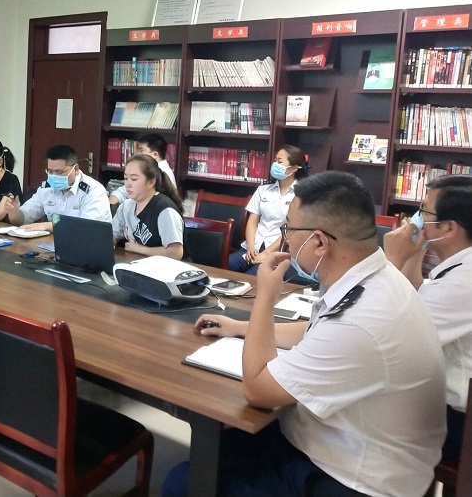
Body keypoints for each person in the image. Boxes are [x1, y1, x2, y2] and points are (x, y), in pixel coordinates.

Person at [167, 171, 446, 497]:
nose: (286, 239)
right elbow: (318, 330)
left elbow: (257, 389)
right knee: (214, 451)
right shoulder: (374, 276)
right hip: (337, 440)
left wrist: (265, 297)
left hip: (352, 478)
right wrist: (238, 327)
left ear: (319, 242)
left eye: (288, 229)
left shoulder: (362, 320)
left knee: (182, 482)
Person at [383, 174, 472, 465]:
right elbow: (417, 296)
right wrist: (414, 253)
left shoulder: (463, 282)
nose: (417, 219)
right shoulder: (460, 266)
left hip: (458, 422)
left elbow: (387, 334)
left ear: (448, 228)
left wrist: (391, 260)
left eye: (424, 212)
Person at [229, 145, 308, 281]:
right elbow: (253, 220)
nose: (275, 164)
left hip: (276, 251)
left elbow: (290, 230)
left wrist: (266, 254)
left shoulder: (300, 195)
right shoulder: (263, 189)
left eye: (280, 161)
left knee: (251, 279)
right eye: (275, 160)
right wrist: (250, 247)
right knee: (227, 266)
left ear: (294, 168)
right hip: (252, 247)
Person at [4, 144, 110, 231]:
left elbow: (87, 227)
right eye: (50, 171)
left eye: (59, 172)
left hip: (88, 245)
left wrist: (48, 225)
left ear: (76, 169)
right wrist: (14, 212)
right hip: (54, 243)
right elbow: (24, 218)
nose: (54, 176)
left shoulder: (93, 190)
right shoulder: (46, 189)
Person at [112, 154, 184, 260]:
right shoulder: (126, 207)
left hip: (167, 267)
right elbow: (112, 235)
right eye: (126, 178)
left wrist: (140, 249)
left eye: (134, 179)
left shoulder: (165, 210)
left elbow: (176, 253)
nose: (128, 184)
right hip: (136, 263)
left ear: (151, 182)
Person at [109, 133, 176, 206]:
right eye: (126, 178)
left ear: (155, 155)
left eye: (141, 150)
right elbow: (123, 192)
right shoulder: (145, 168)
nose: (137, 154)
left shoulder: (160, 173)